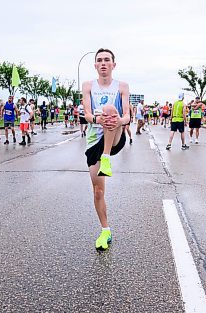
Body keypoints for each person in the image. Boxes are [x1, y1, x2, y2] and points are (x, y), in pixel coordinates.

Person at [82, 48, 130, 251]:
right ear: (95, 65)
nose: (103, 63)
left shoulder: (122, 86)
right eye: (99, 60)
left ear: (113, 64)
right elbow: (86, 114)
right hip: (95, 140)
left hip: (116, 136)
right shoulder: (87, 86)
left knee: (111, 109)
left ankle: (107, 157)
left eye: (107, 60)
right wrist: (96, 119)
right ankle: (105, 230)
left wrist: (118, 120)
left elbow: (127, 116)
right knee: (98, 191)